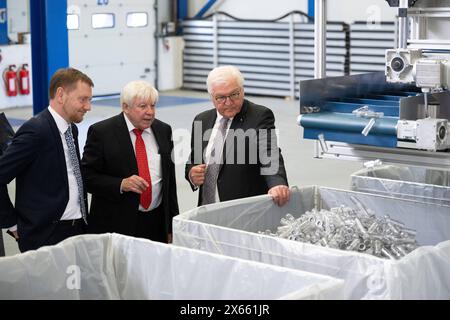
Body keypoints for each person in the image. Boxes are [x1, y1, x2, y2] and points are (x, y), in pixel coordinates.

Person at [0, 68, 94, 252]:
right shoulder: (36, 131)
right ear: (61, 95)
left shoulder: (70, 130)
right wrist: (12, 224)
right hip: (46, 236)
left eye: (89, 100)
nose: (88, 106)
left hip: (77, 230)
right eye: (82, 99)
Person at [81, 80, 179, 243]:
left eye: (153, 106)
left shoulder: (163, 130)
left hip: (156, 224)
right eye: (143, 106)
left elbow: (169, 183)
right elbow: (87, 177)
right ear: (125, 107)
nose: (150, 112)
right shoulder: (102, 132)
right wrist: (121, 184)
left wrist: (171, 226)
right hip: (116, 226)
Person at [186, 65, 290, 207]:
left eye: (234, 94)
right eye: (221, 97)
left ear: (242, 90)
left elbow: (269, 152)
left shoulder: (259, 116)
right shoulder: (202, 120)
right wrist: (192, 173)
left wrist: (277, 183)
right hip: (207, 209)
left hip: (243, 210)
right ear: (211, 97)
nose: (228, 102)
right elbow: (194, 159)